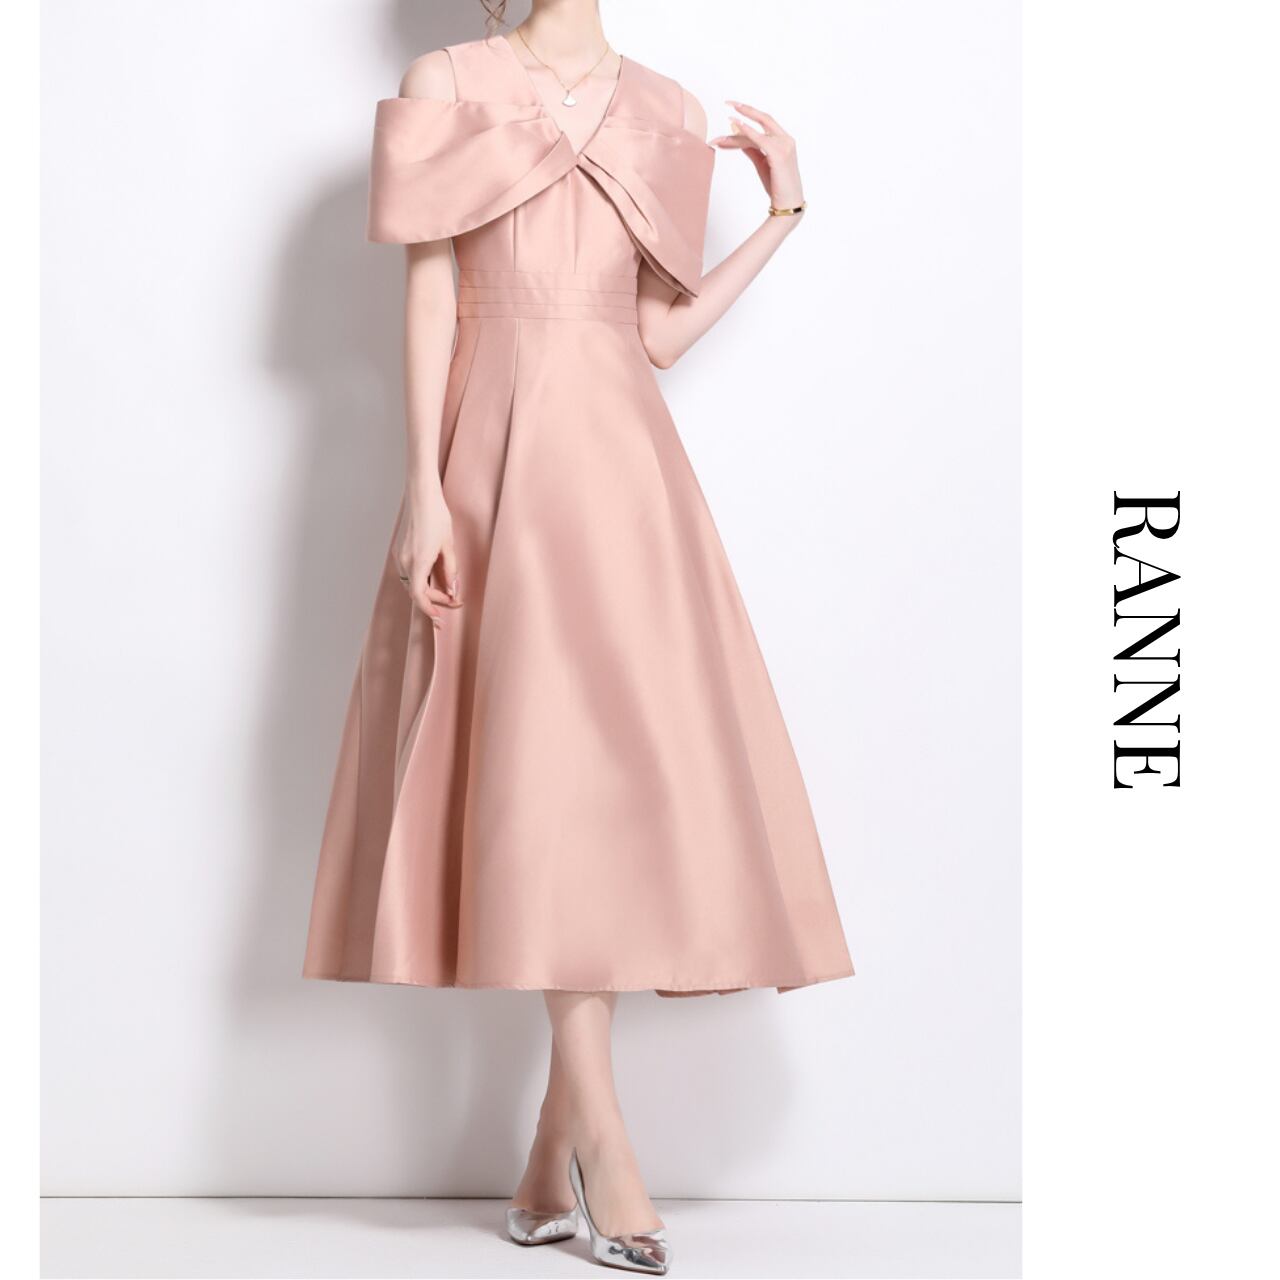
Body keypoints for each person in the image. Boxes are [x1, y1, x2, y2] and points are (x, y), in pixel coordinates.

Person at [303, 0, 854, 1271]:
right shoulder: (446, 78)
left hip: (623, 479)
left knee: (604, 787)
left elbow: (653, 335)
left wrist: (779, 213)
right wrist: (425, 487)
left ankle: (556, 1143)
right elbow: (429, 289)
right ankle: (603, 1137)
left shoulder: (665, 106)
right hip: (494, 461)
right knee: (540, 779)